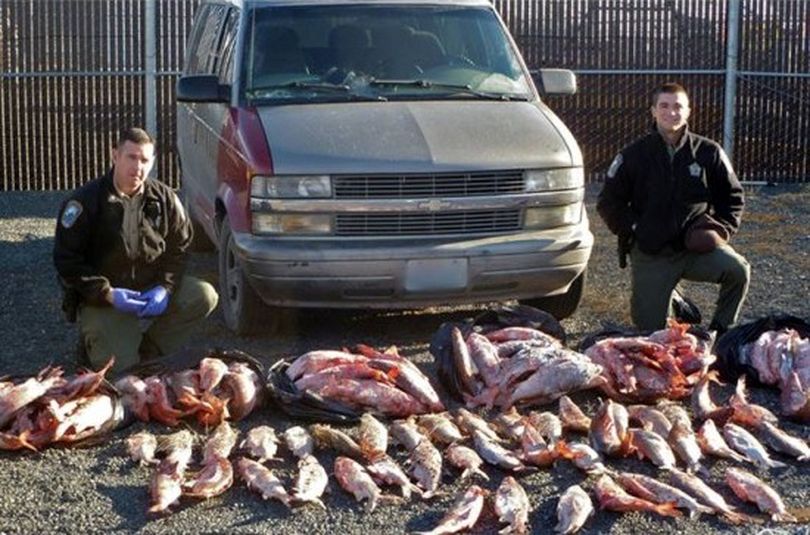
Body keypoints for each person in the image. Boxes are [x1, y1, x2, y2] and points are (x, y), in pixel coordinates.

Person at [53, 127, 219, 373]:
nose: (138, 167)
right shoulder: (84, 202)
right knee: (123, 373)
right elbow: (66, 261)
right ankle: (95, 345)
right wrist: (106, 292)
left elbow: (180, 248)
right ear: (115, 155)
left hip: (148, 288)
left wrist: (166, 287)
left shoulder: (165, 199)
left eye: (144, 160)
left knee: (204, 295)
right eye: (131, 157)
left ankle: (150, 349)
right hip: (104, 298)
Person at [596, 82, 750, 334]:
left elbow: (733, 196)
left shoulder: (708, 152)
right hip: (651, 252)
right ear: (653, 111)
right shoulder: (633, 155)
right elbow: (608, 202)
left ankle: (721, 331)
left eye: (678, 106)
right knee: (651, 333)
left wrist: (721, 230)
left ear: (688, 111)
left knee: (739, 270)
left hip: (693, 250)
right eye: (664, 106)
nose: (671, 112)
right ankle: (671, 297)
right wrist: (636, 227)